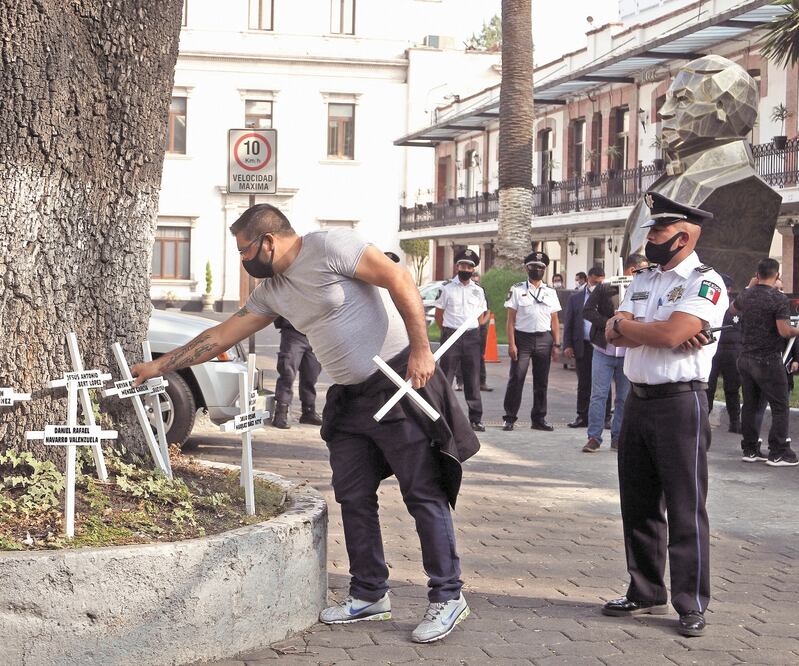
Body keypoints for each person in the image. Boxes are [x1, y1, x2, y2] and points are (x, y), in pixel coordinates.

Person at [131, 204, 479, 644]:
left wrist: (420, 349)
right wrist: (160, 365)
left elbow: (399, 279)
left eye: (245, 251)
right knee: (353, 495)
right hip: (349, 398)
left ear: (268, 241)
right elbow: (220, 336)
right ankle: (370, 593)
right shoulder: (272, 291)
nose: (244, 260)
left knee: (422, 491)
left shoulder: (333, 246)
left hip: (399, 380)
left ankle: (448, 595)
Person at [601, 191, 727, 638]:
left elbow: (674, 333)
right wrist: (645, 331)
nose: (650, 237)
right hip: (637, 399)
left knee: (685, 505)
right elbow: (611, 332)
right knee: (637, 501)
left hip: (681, 402)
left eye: (658, 230)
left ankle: (691, 602)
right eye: (651, 229)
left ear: (684, 236)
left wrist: (642, 330)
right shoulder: (644, 278)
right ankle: (644, 589)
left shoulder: (705, 282)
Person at [730, 259, 799, 466]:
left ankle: (750, 449)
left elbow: (732, 310)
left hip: (744, 358)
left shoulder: (746, 294)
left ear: (757, 274)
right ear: (777, 275)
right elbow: (784, 331)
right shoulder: (778, 299)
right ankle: (778, 452)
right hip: (768, 359)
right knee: (780, 406)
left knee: (750, 405)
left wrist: (749, 286)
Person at [581, 254, 649, 452]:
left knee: (623, 396)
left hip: (628, 351)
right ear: (630, 270)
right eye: (640, 271)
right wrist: (610, 324)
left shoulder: (644, 290)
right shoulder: (606, 287)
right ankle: (594, 436)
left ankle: (618, 436)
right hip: (604, 349)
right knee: (599, 394)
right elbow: (587, 310)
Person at [502, 251, 561, 431]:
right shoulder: (517, 290)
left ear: (545, 270)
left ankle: (539, 419)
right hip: (523, 339)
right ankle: (510, 418)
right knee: (516, 379)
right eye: (533, 267)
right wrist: (511, 344)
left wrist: (556, 344)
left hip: (544, 339)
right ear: (527, 268)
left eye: (541, 267)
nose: (537, 270)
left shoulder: (550, 292)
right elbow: (510, 321)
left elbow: (555, 320)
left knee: (541, 381)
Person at [434, 249, 489, 431]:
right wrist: (448, 332)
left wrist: (475, 326)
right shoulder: (446, 288)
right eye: (463, 265)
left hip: (472, 337)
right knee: (446, 377)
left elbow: (483, 314)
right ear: (457, 266)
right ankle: (442, 416)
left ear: (473, 269)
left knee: (472, 378)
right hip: (451, 336)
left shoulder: (478, 291)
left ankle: (475, 418)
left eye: (469, 266)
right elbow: (439, 315)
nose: (466, 268)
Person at [563, 266, 605, 429]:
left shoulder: (608, 296)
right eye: (595, 281)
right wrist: (567, 344)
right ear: (588, 278)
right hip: (583, 345)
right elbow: (569, 323)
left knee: (603, 382)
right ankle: (582, 416)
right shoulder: (576, 298)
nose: (597, 285)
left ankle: (605, 416)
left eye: (600, 282)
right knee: (584, 383)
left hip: (601, 345)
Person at [705, 274, 742, 434]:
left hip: (732, 350)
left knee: (733, 388)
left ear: (729, 289)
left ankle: (735, 422)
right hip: (714, 348)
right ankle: (703, 420)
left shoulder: (736, 305)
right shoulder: (710, 301)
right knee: (708, 387)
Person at [271, 316, 323, 429]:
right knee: (287, 374)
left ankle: (308, 412)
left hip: (316, 333)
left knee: (311, 374)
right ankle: (281, 413)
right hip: (293, 332)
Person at [455, 271, 492, 392]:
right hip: (465, 329)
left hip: (479, 329)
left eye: (477, 280)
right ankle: (460, 382)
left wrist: (481, 323)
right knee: (460, 355)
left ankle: (481, 382)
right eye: (474, 279)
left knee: (479, 356)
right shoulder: (463, 291)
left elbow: (488, 312)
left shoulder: (481, 292)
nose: (475, 281)